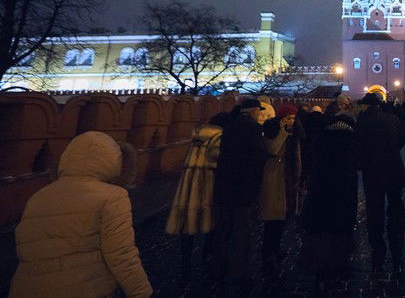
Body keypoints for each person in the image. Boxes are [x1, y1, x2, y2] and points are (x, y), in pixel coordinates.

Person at [10, 131, 152, 298]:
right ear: (114, 161)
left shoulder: (38, 197)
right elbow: (121, 255)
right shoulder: (113, 197)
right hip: (84, 288)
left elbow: (26, 251)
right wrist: (141, 292)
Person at [301, 95, 358, 291]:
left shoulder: (323, 136)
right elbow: (356, 163)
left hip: (322, 187)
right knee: (341, 229)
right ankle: (340, 265)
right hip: (343, 188)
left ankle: (321, 267)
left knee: (324, 227)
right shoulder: (350, 138)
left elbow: (310, 158)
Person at [166, 112, 230, 284]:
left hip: (188, 188)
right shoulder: (218, 137)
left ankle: (185, 265)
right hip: (206, 186)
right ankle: (207, 258)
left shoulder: (197, 136)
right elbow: (215, 160)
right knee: (210, 224)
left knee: (187, 228)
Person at [213, 98, 269, 292]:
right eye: (258, 111)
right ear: (253, 111)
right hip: (242, 189)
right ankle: (240, 274)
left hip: (223, 187)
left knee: (222, 231)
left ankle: (219, 269)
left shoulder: (229, 126)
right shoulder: (253, 128)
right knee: (241, 232)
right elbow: (258, 157)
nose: (259, 113)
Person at [355, 92, 405, 275]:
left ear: (365, 106)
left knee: (375, 215)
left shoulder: (361, 122)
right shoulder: (392, 119)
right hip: (394, 172)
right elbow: (401, 141)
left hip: (373, 174)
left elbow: (358, 148)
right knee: (396, 214)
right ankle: (398, 256)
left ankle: (378, 257)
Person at [259, 104, 304, 273]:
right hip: (276, 179)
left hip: (290, 179)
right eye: (288, 117)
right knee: (273, 219)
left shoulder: (296, 132)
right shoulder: (272, 129)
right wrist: (283, 131)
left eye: (293, 117)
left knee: (283, 219)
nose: (291, 121)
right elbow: (272, 149)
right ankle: (267, 252)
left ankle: (275, 248)